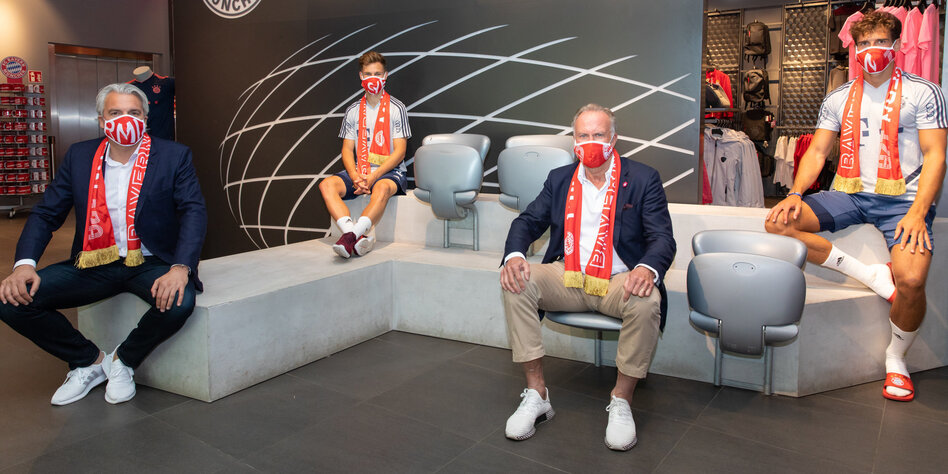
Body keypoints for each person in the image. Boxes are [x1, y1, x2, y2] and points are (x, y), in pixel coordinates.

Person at [766, 11, 947, 402]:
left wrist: (918, 212)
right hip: (849, 192)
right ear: (854, 50)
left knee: (912, 281)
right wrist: (795, 193)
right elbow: (818, 150)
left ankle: (896, 358)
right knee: (779, 224)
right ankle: (872, 275)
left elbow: (936, 155)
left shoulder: (923, 92)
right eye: (863, 44)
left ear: (896, 46)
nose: (871, 50)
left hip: (903, 199)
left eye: (880, 42)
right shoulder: (839, 96)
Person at [0, 83, 207, 405]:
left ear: (145, 118)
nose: (126, 119)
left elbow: (193, 211)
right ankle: (89, 362)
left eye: (134, 112)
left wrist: (181, 267)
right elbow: (46, 213)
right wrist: (24, 264)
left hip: (151, 261)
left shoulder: (173, 155)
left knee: (180, 303)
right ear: (101, 120)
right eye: (115, 112)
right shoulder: (80, 156)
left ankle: (123, 361)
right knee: (11, 301)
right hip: (94, 260)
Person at [500, 104, 676, 450]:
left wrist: (646, 268)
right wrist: (515, 256)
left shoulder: (643, 178)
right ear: (574, 140)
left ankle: (622, 400)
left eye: (599, 135)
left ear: (614, 139)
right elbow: (527, 221)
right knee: (517, 283)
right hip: (568, 274)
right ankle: (536, 394)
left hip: (618, 279)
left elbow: (662, 238)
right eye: (584, 135)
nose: (591, 142)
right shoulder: (560, 179)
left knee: (647, 300)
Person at [318, 51, 411, 258]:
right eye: (368, 74)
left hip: (390, 172)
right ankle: (354, 235)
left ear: (385, 76)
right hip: (360, 171)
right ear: (361, 76)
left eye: (377, 74)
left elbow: (400, 152)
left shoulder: (397, 108)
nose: (373, 79)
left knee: (382, 187)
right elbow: (346, 149)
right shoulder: (352, 110)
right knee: (326, 185)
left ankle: (349, 238)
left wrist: (374, 176)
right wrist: (355, 176)